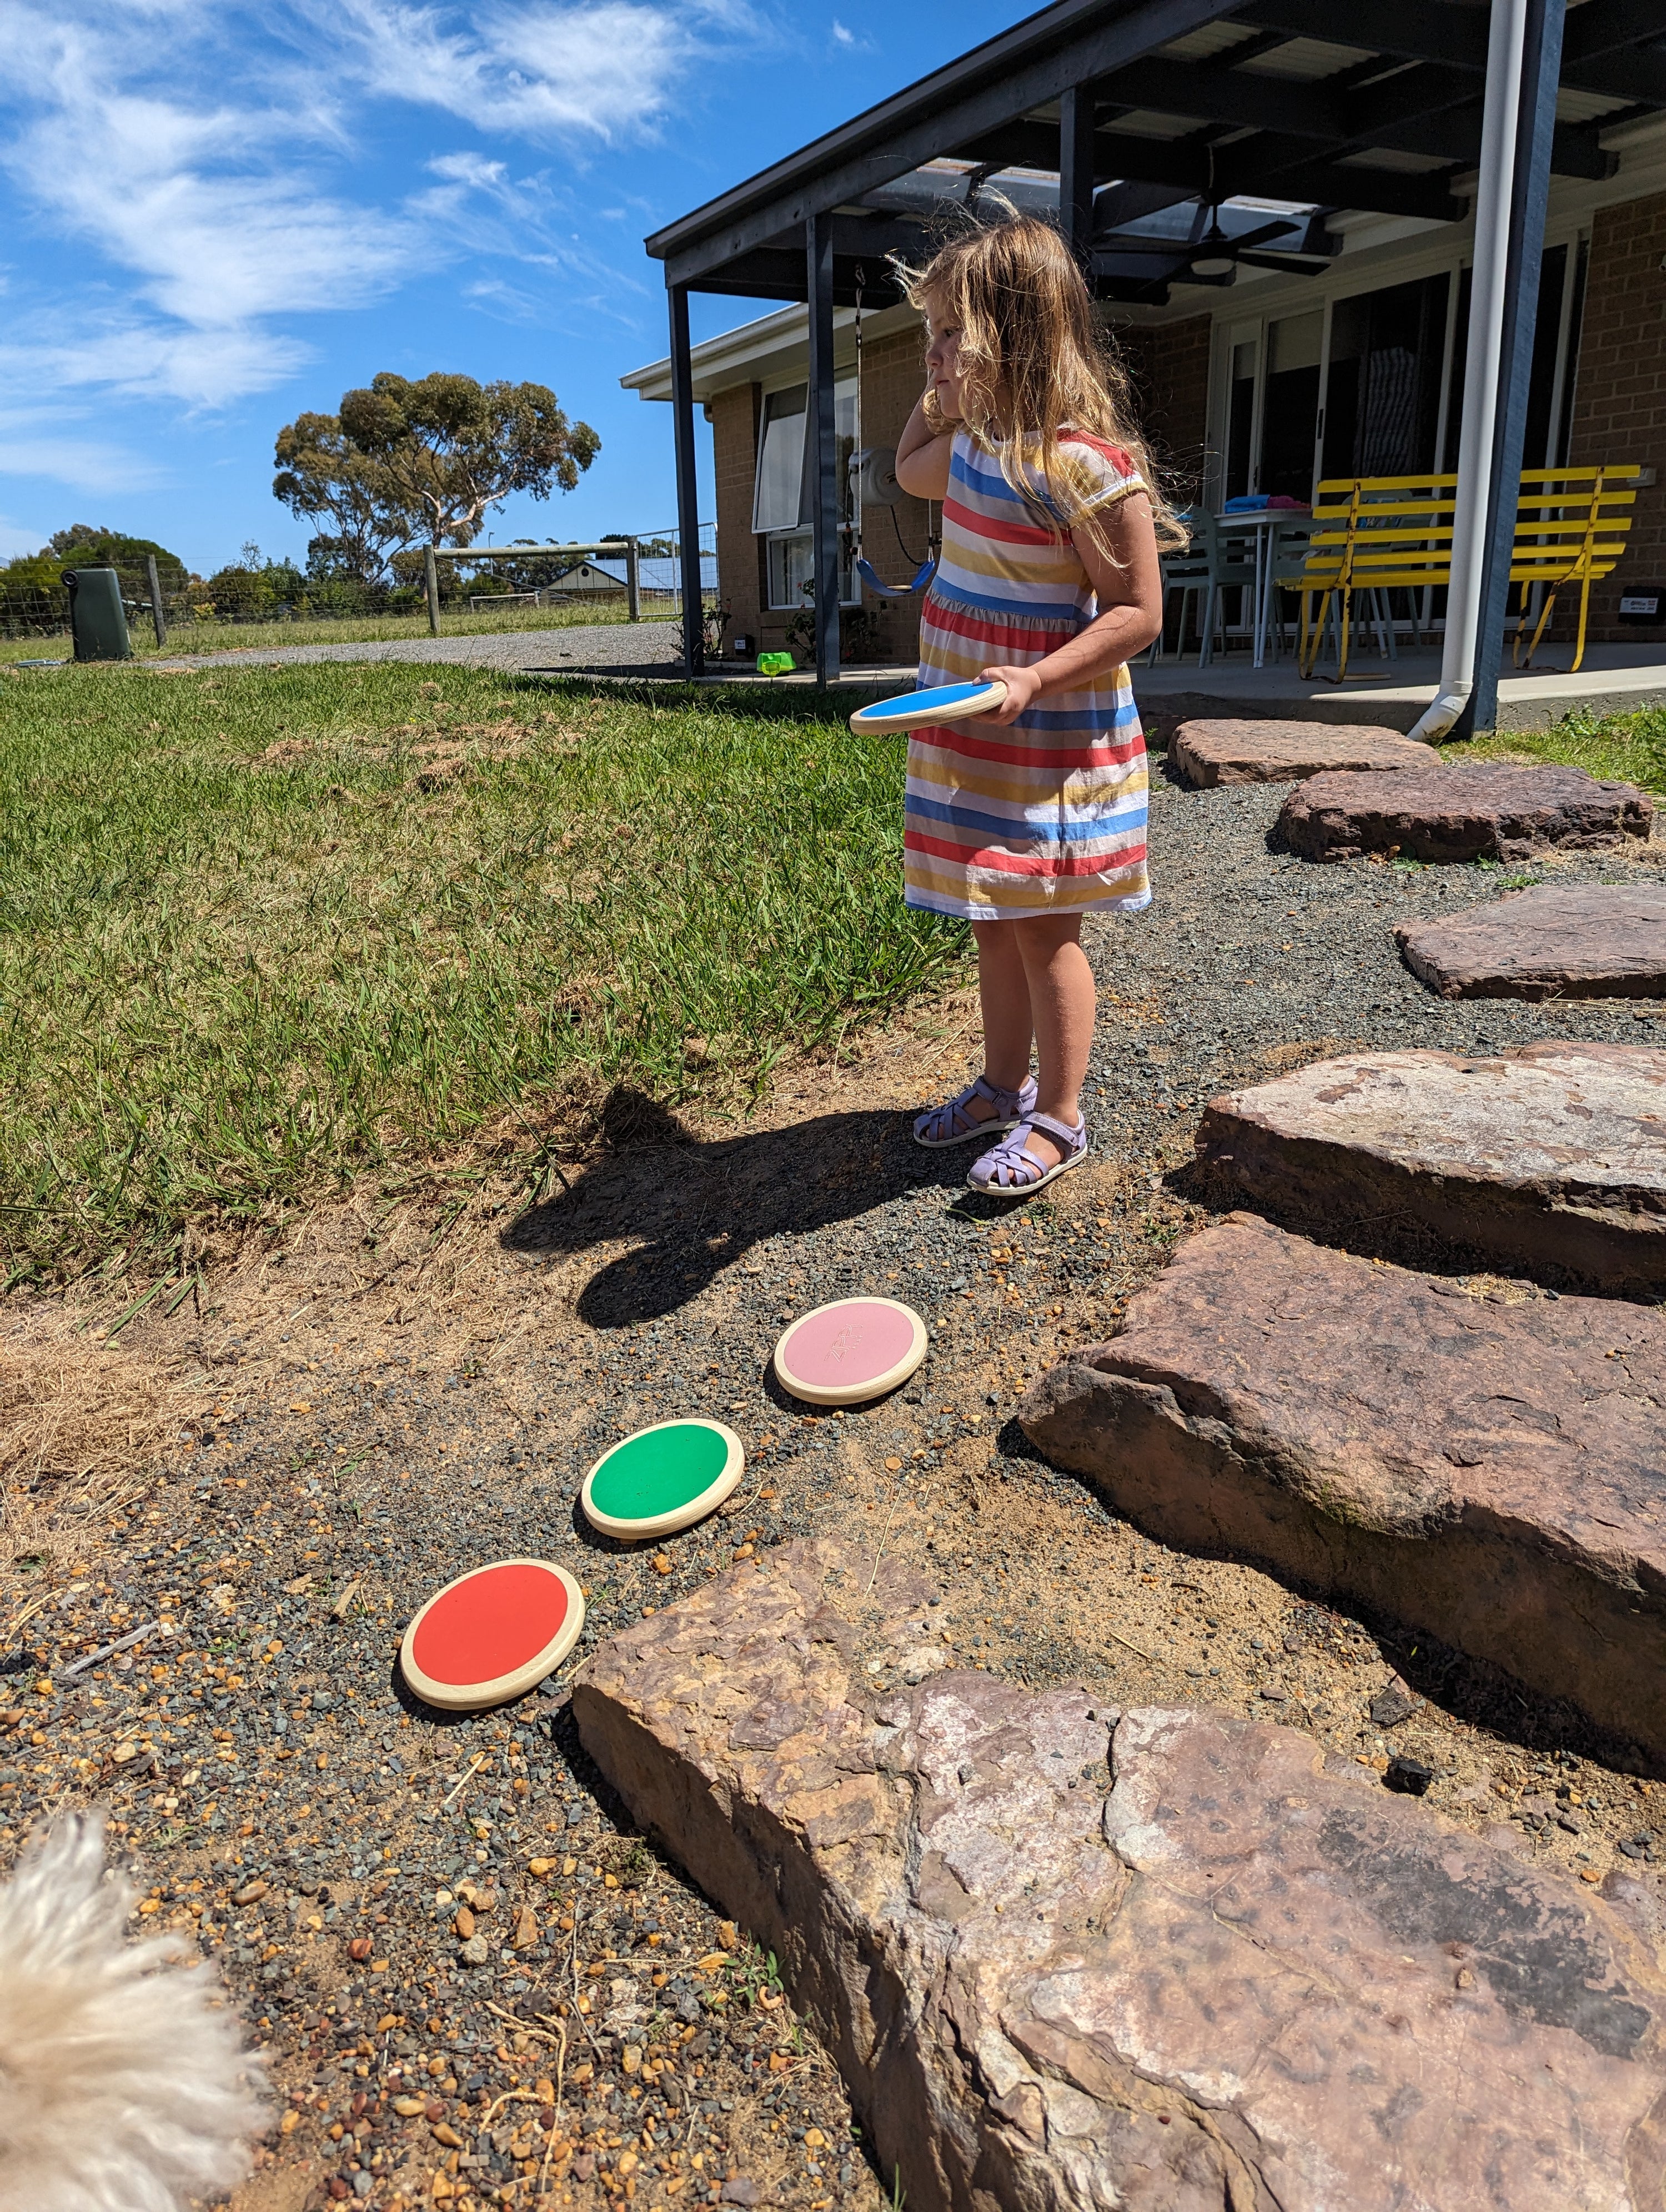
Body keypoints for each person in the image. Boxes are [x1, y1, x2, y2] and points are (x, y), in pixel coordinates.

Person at [894, 213, 1179, 1195]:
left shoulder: (1084, 467)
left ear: (1011, 340)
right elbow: (907, 469)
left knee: (1043, 924)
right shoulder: (970, 450)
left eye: (947, 338)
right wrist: (937, 396)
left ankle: (1060, 1116)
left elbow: (1137, 612)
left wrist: (1034, 678)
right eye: (928, 335)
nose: (929, 355)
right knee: (990, 914)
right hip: (975, 728)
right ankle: (1000, 1083)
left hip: (1048, 732)